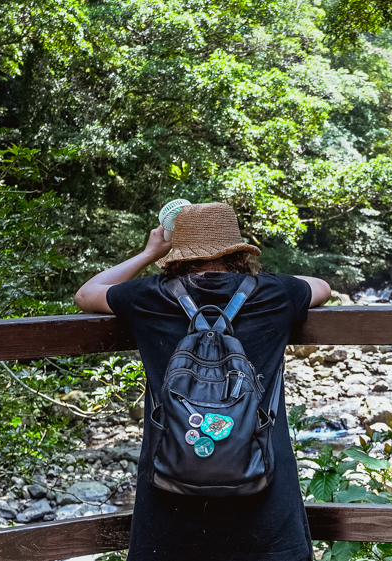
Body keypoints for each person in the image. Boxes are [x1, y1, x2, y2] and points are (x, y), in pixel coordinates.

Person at [75, 202, 331, 561]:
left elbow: (86, 294)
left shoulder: (147, 297)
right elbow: (322, 287)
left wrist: (149, 253)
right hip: (263, 501)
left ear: (177, 256)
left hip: (171, 497)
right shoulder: (276, 293)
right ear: (239, 253)